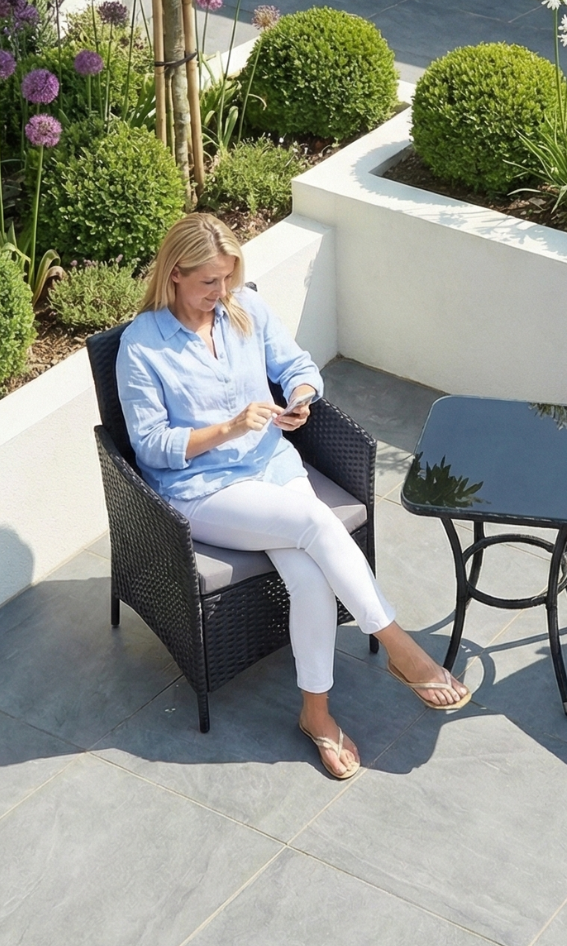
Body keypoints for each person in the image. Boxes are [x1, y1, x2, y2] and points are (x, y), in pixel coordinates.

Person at [117, 212, 471, 779]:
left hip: (273, 466)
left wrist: (302, 396)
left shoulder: (246, 310)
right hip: (204, 489)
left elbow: (297, 365)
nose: (221, 292)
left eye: (228, 278)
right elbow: (151, 444)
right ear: (175, 274)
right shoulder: (142, 344)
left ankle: (316, 715)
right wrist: (228, 429)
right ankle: (402, 648)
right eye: (209, 282)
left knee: (308, 579)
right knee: (315, 525)